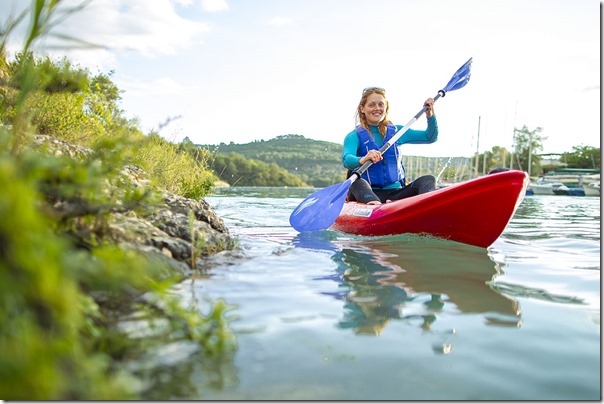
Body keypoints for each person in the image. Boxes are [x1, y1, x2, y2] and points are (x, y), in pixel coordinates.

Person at [342, 87, 439, 205]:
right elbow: (346, 160)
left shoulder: (397, 132)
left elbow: (430, 137)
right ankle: (376, 206)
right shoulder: (354, 136)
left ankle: (426, 208)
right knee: (357, 182)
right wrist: (363, 159)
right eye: (372, 105)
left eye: (381, 104)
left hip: (396, 193)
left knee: (428, 180)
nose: (377, 108)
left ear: (386, 107)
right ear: (362, 108)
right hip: (367, 193)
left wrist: (430, 115)